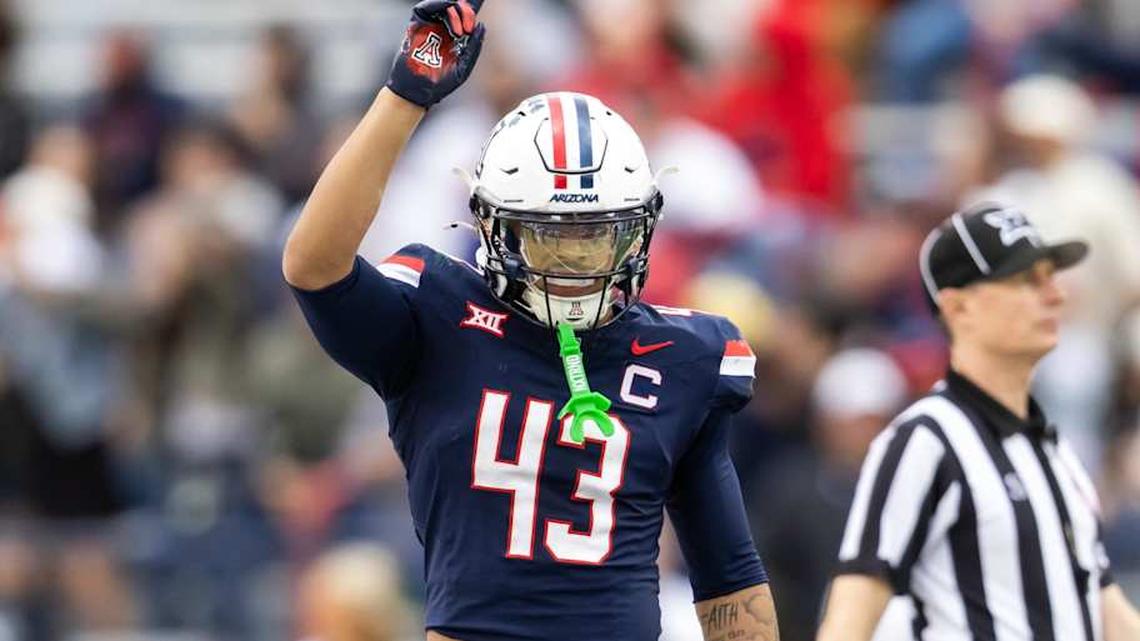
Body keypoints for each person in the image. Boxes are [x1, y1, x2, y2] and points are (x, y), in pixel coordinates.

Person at [281, 2, 779, 640]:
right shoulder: (437, 319)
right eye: (552, 238)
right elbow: (314, 265)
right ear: (495, 228)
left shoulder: (685, 357)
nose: (576, 263)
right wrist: (406, 93)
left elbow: (728, 575)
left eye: (599, 237)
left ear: (640, 231)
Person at [816, 201, 1140, 641]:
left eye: (1051, 276)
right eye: (1027, 279)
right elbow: (854, 605)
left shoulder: (1053, 451)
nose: (1056, 294)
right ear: (959, 308)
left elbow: (1105, 608)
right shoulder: (926, 439)